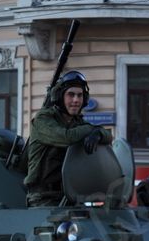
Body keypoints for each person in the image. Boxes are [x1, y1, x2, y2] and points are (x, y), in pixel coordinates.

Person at [24, 70, 107, 206]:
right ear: (59, 97)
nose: (76, 100)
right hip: (43, 198)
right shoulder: (43, 119)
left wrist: (98, 133)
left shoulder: (78, 123)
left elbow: (108, 136)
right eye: (71, 95)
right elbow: (66, 137)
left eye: (80, 95)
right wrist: (93, 129)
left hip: (70, 196)